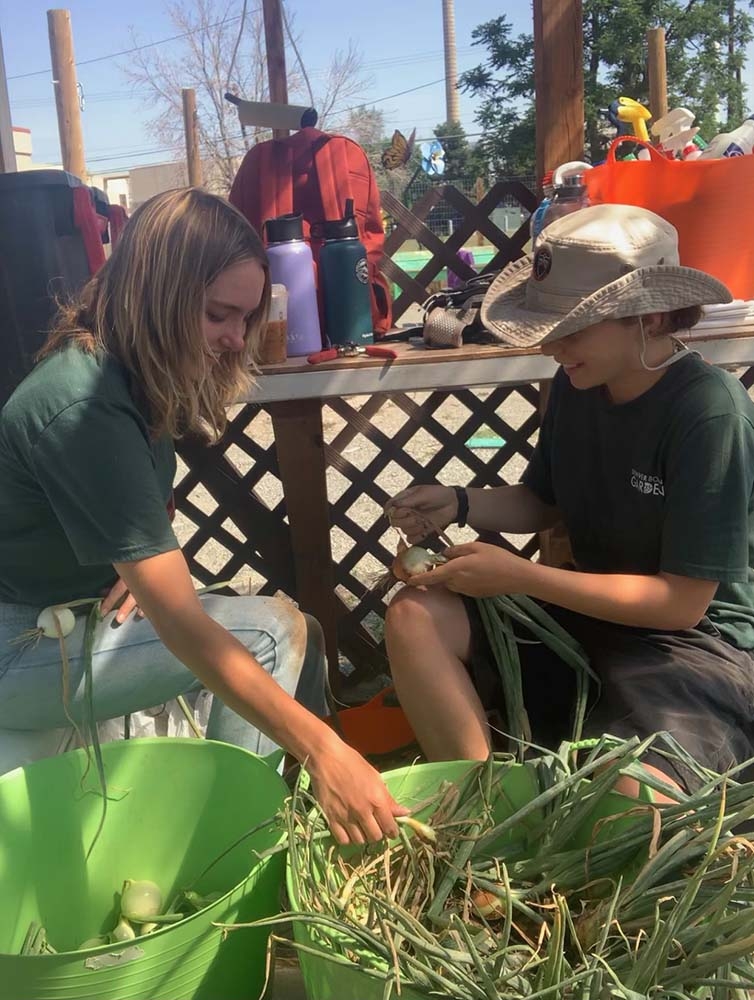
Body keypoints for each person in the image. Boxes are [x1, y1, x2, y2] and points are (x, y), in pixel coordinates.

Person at [0, 187, 406, 845]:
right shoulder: (84, 405)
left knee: (291, 630)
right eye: (221, 314)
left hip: (62, 620)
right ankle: (232, 852)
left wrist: (127, 557)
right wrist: (324, 751)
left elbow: (117, 504)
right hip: (15, 650)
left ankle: (276, 830)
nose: (236, 339)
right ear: (156, 293)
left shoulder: (124, 371)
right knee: (270, 634)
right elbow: (184, 623)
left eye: (246, 318)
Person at [385, 203, 754, 800]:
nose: (556, 346)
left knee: (628, 798)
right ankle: (481, 804)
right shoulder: (580, 385)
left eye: (574, 328)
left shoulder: (709, 411)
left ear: (651, 318)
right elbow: (543, 502)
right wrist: (457, 503)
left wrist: (522, 577)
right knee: (413, 614)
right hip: (591, 615)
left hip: (698, 649)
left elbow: (682, 604)